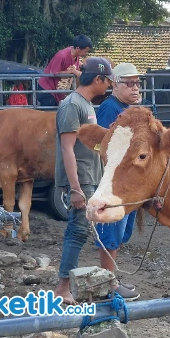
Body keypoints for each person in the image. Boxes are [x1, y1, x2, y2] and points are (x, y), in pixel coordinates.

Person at [53, 56, 117, 305]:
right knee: (77, 230)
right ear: (98, 79)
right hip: (82, 179)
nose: (109, 86)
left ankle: (66, 285)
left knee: (82, 230)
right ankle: (62, 287)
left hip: (91, 176)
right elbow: (67, 148)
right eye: (107, 81)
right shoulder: (71, 106)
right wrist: (76, 189)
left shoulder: (87, 104)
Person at [94, 63, 144, 301]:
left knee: (120, 234)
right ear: (115, 85)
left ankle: (111, 279)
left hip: (126, 184)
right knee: (111, 233)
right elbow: (105, 148)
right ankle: (107, 284)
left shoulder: (127, 108)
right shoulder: (110, 109)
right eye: (129, 83)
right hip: (113, 183)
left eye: (137, 83)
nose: (135, 88)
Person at [37, 35, 93, 107]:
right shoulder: (62, 55)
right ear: (78, 48)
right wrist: (72, 72)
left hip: (57, 91)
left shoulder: (76, 55)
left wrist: (84, 66)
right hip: (47, 89)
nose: (86, 53)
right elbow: (53, 73)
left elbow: (76, 64)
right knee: (49, 112)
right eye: (85, 51)